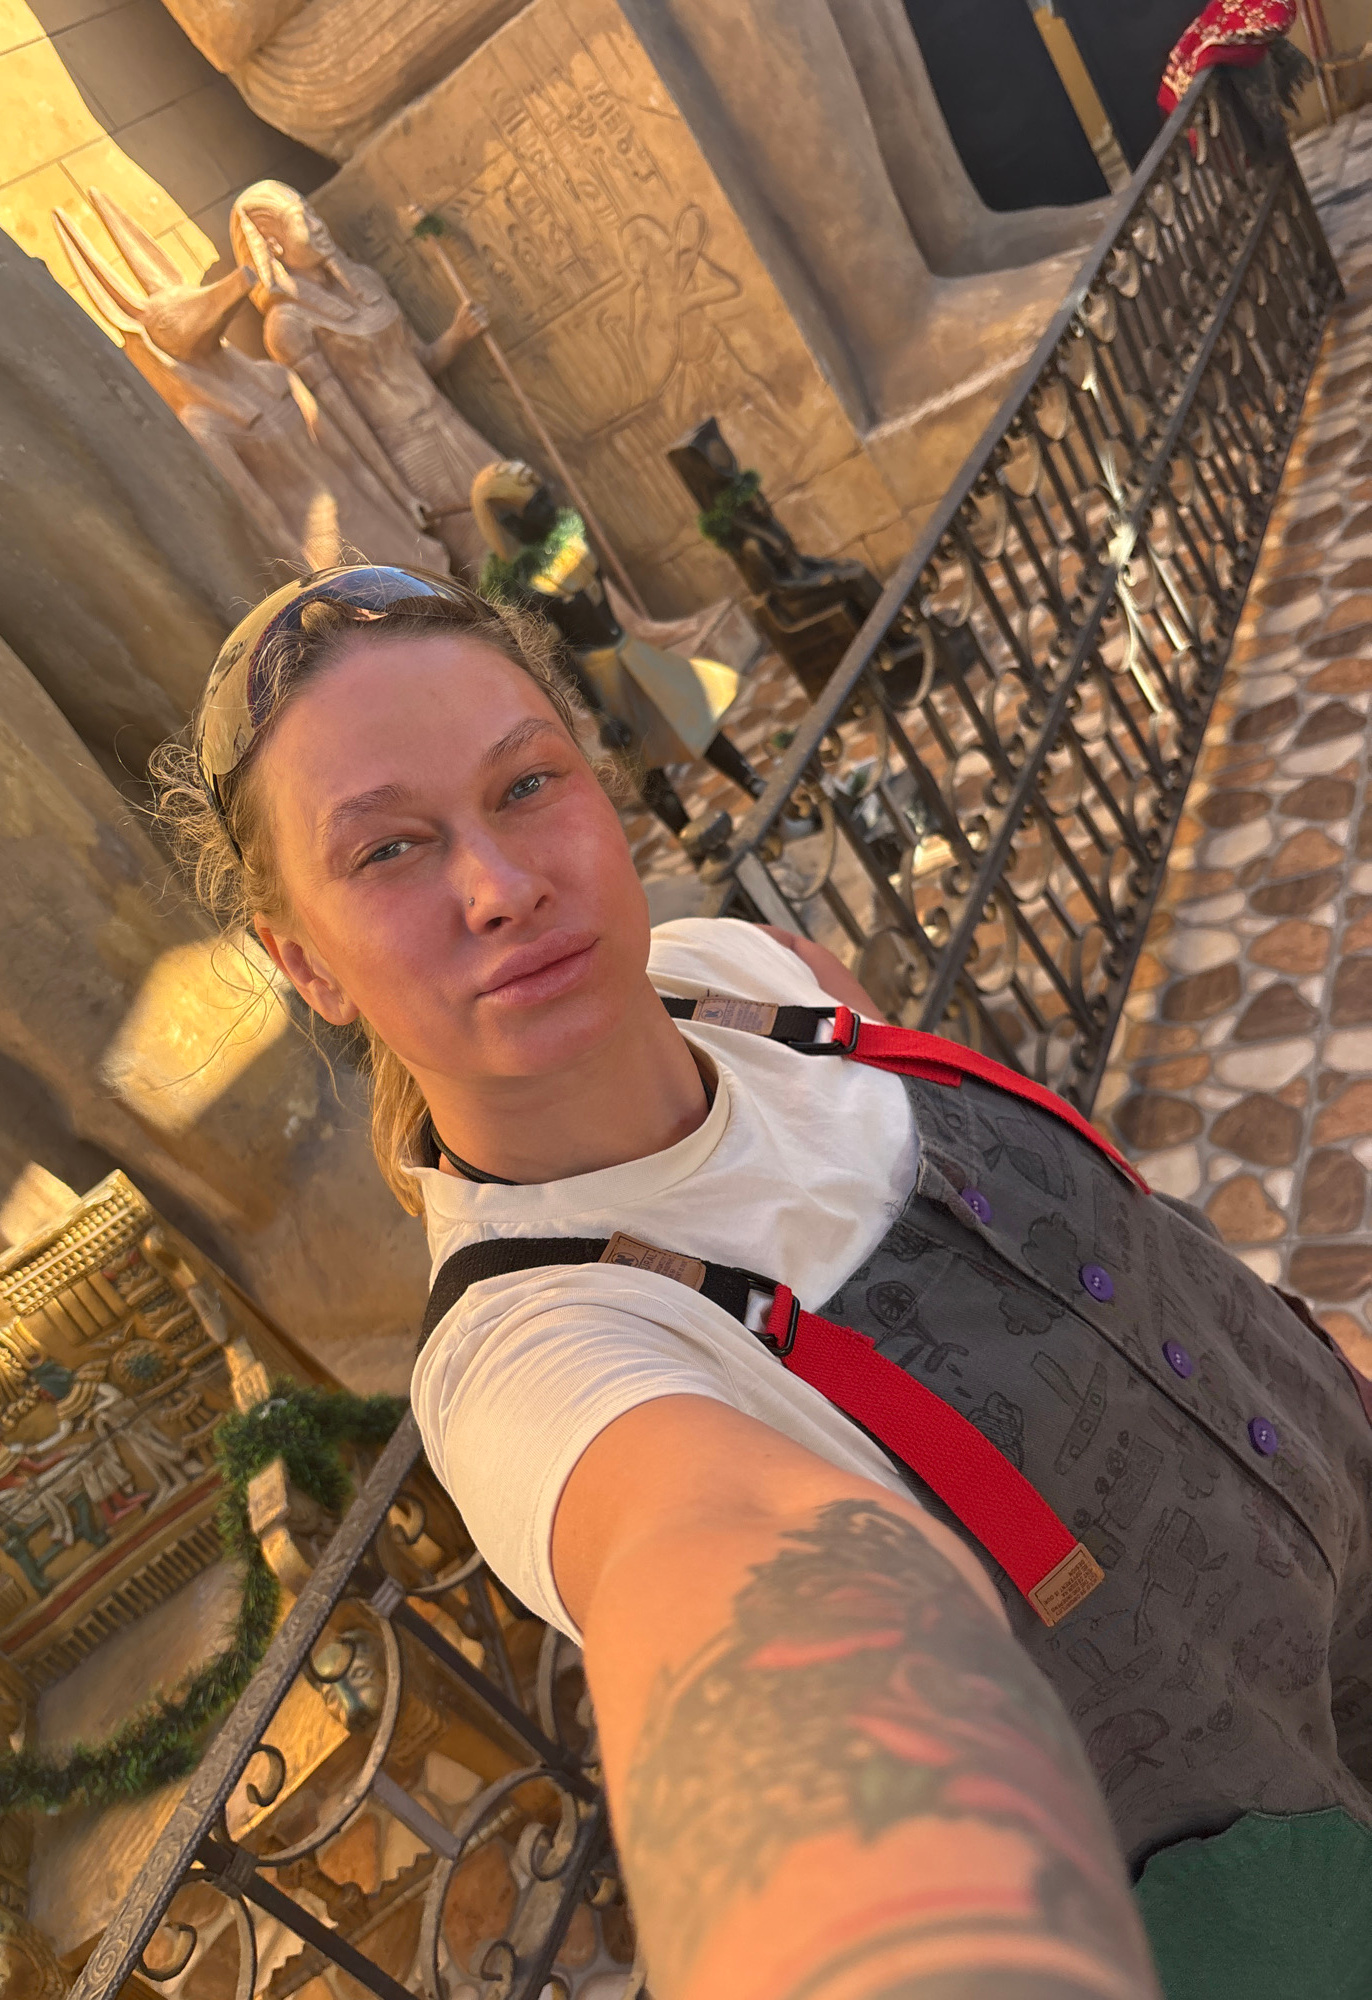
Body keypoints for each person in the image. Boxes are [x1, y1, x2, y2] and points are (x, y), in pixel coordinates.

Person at [156, 564, 1372, 1998]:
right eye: (388, 851)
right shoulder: (538, 1358)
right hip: (1258, 1881)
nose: (501, 886)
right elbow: (724, 1573)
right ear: (307, 963)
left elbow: (1098, 1252)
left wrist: (1315, 1355)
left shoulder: (743, 971)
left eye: (527, 785)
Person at [470, 458, 762, 840]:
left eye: (544, 496)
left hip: (631, 652)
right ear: (512, 523)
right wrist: (601, 714)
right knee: (645, 765)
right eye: (536, 505)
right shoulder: (526, 587)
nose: (549, 506)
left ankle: (755, 785)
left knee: (696, 720)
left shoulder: (568, 543)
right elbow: (561, 655)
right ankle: (690, 839)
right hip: (603, 679)